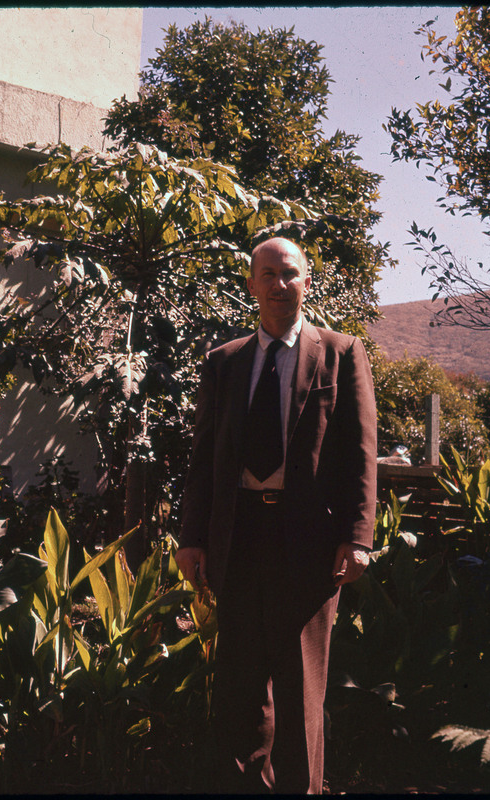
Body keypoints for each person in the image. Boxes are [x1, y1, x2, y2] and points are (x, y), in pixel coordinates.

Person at [176, 237, 377, 793]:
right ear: (251, 285)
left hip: (308, 544)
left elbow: (362, 454)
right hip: (237, 540)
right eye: (267, 274)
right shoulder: (225, 362)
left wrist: (358, 537)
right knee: (240, 691)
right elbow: (204, 459)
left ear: (307, 282)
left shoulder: (340, 352)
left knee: (300, 688)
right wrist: (193, 538)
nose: (279, 284)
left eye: (290, 273)